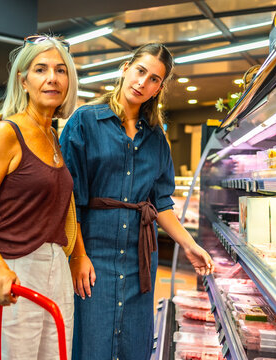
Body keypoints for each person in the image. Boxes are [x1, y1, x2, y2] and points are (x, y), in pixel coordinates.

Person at [60, 43, 215, 360]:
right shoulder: (85, 122)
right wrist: (77, 256)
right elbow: (69, 197)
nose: (143, 83)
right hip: (93, 256)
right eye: (140, 71)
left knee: (134, 346)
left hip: (140, 260)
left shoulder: (156, 136)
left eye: (154, 79)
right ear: (126, 67)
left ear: (160, 87)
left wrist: (189, 244)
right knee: (91, 345)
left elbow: (162, 204)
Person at [0, 35, 78, 360]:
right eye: (40, 69)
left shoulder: (54, 136)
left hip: (56, 269)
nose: (52, 78)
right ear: (23, 80)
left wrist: (78, 256)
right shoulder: (5, 133)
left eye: (60, 70)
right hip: (12, 265)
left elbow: (62, 208)